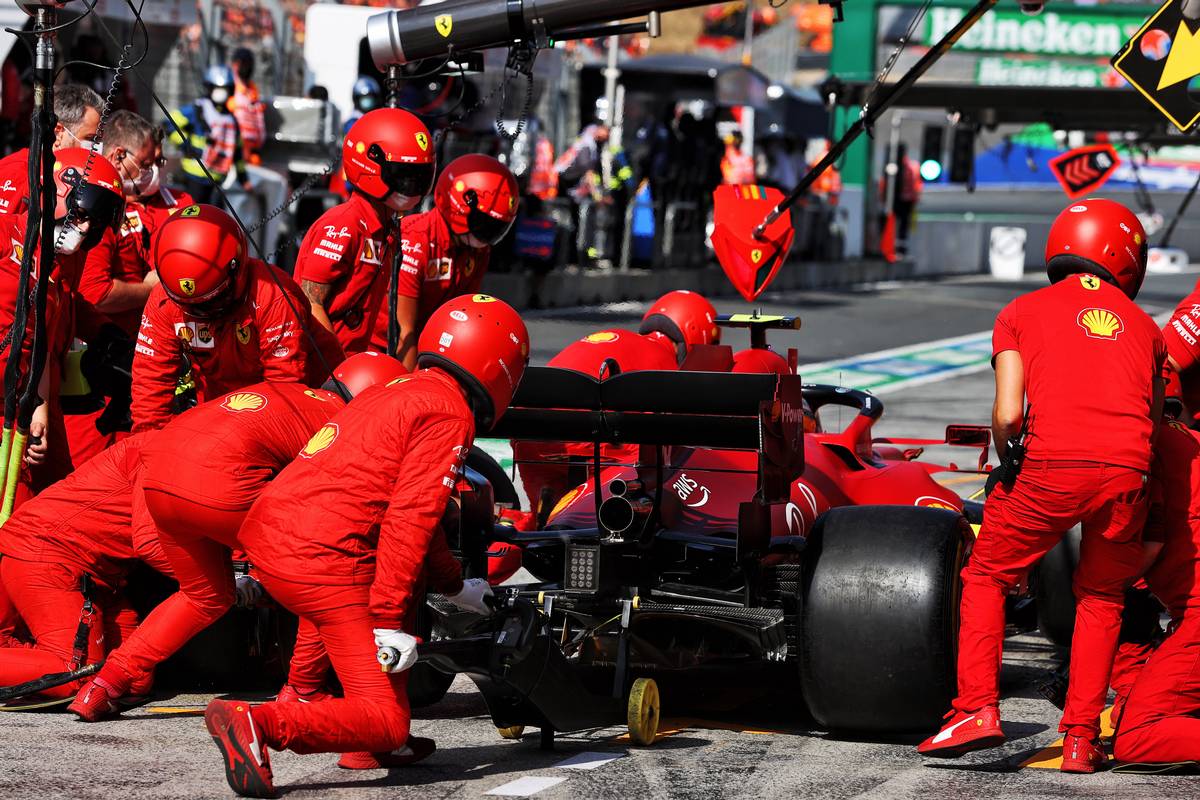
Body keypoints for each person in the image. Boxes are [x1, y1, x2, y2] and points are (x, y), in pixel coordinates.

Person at [205, 295, 529, 797]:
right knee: (386, 715)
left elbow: (410, 520)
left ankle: (368, 746)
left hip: (277, 535)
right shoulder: (449, 412)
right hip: (324, 552)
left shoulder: (396, 389)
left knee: (369, 586)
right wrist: (385, 620)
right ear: (499, 367)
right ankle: (262, 724)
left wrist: (452, 585)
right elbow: (412, 519)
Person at [917, 199, 1165, 773]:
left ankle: (976, 707)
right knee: (1102, 597)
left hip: (1053, 465)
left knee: (987, 576)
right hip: (1129, 475)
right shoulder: (1148, 328)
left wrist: (1009, 463)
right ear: (1122, 257)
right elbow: (1150, 423)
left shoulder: (1021, 311)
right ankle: (1081, 739)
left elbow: (1007, 415)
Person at [67, 353, 407, 721]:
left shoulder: (287, 393)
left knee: (204, 595)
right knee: (324, 570)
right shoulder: (343, 423)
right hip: (217, 484)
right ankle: (304, 690)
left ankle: (103, 686)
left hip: (156, 482)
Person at [131, 204, 344, 432]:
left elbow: (285, 390)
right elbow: (150, 384)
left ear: (237, 267)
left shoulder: (273, 296)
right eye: (193, 306)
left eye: (212, 300)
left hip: (309, 404)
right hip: (222, 408)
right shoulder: (163, 301)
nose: (205, 313)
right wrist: (149, 445)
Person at [0, 432, 170, 703]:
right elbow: (149, 542)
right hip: (51, 554)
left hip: (100, 574)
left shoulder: (186, 449)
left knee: (133, 680)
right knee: (74, 675)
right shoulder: (165, 451)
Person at [0, 148, 125, 507]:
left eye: (94, 222)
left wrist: (37, 404)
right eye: (81, 215)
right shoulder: (7, 234)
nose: (85, 228)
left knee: (49, 503)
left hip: (23, 405)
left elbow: (42, 341)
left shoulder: (57, 269)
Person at [296, 108, 435, 356]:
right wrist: (337, 371)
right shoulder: (345, 224)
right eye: (403, 175)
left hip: (356, 362)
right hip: (324, 368)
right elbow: (310, 303)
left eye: (417, 176)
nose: (411, 186)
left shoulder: (388, 230)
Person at [1111, 420, 1200, 766]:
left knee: (1137, 736)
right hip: (1184, 611)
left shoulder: (1134, 451)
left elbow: (1147, 546)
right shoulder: (1186, 438)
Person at [395, 154, 519, 368]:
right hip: (387, 353)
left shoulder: (479, 250)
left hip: (431, 351)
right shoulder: (414, 239)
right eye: (485, 223)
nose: (488, 235)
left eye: (497, 228)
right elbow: (404, 331)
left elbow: (462, 317)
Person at [0, 84, 102, 215]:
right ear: (59, 132)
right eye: (90, 138)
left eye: (99, 141)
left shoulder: (81, 177)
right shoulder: (17, 173)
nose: (97, 147)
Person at [167, 65, 253, 205]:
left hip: (218, 180)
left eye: (224, 90)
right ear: (209, 88)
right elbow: (169, 124)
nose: (221, 93)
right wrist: (185, 145)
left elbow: (237, 154)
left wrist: (244, 179)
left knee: (217, 220)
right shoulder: (198, 110)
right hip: (194, 176)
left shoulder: (232, 121)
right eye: (217, 89)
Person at [229, 48, 267, 166]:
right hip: (234, 149)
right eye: (243, 63)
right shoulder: (229, 87)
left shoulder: (252, 90)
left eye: (248, 64)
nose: (246, 67)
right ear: (235, 64)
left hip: (252, 151)